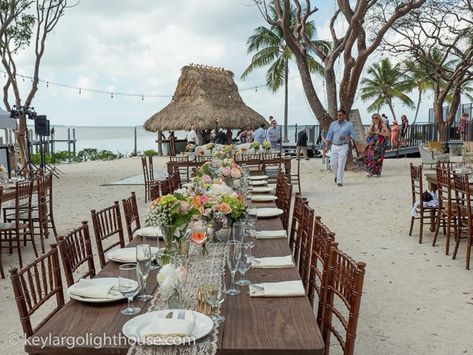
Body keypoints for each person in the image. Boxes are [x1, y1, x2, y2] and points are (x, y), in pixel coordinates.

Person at [325, 109, 357, 187]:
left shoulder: (349, 125)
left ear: (344, 115)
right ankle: (337, 176)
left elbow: (354, 135)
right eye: (338, 115)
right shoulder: (333, 124)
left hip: (343, 146)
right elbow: (329, 136)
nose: (339, 116)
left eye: (340, 115)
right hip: (334, 146)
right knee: (333, 165)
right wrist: (326, 146)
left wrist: (346, 137)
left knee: (341, 164)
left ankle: (339, 181)